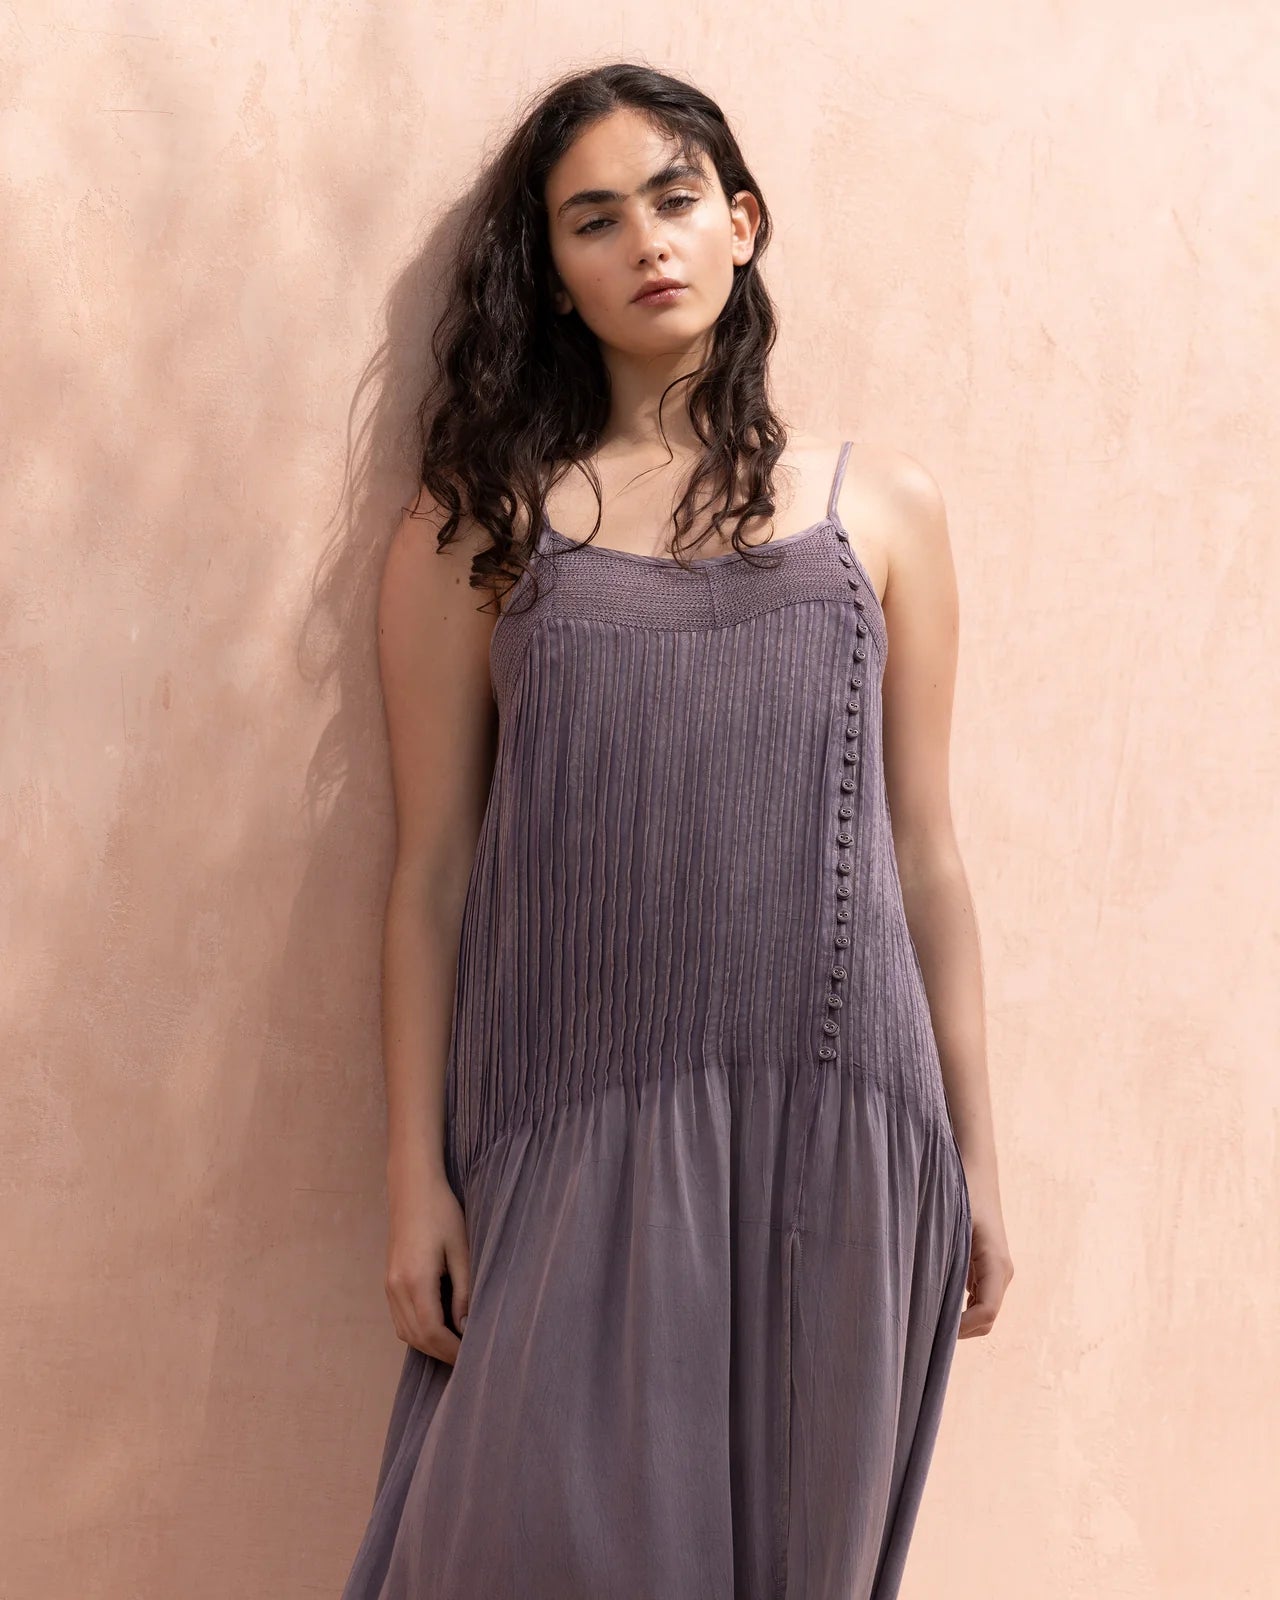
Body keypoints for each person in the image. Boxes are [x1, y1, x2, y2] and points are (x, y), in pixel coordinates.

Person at [340, 60, 1013, 1600]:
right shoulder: (481, 526)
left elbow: (926, 852)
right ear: (553, 277)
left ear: (742, 223)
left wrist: (976, 1153)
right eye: (594, 219)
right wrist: (413, 1181)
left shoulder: (881, 507)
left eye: (674, 197)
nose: (646, 239)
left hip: (847, 1127)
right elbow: (431, 875)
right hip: (567, 1123)